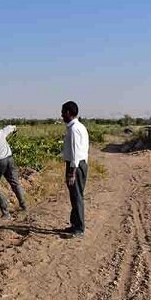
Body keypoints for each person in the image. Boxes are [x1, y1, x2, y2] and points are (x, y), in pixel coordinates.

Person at [61, 101, 89, 238]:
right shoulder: (79, 127)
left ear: (68, 112)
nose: (61, 116)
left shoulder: (74, 129)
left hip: (75, 166)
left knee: (77, 196)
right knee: (75, 196)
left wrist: (72, 171)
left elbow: (76, 152)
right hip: (79, 165)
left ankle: (79, 228)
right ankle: (75, 225)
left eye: (62, 112)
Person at [0, 125, 28, 211]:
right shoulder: (0, 133)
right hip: (10, 159)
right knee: (15, 183)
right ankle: (24, 205)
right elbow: (12, 127)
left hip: (0, 162)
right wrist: (15, 130)